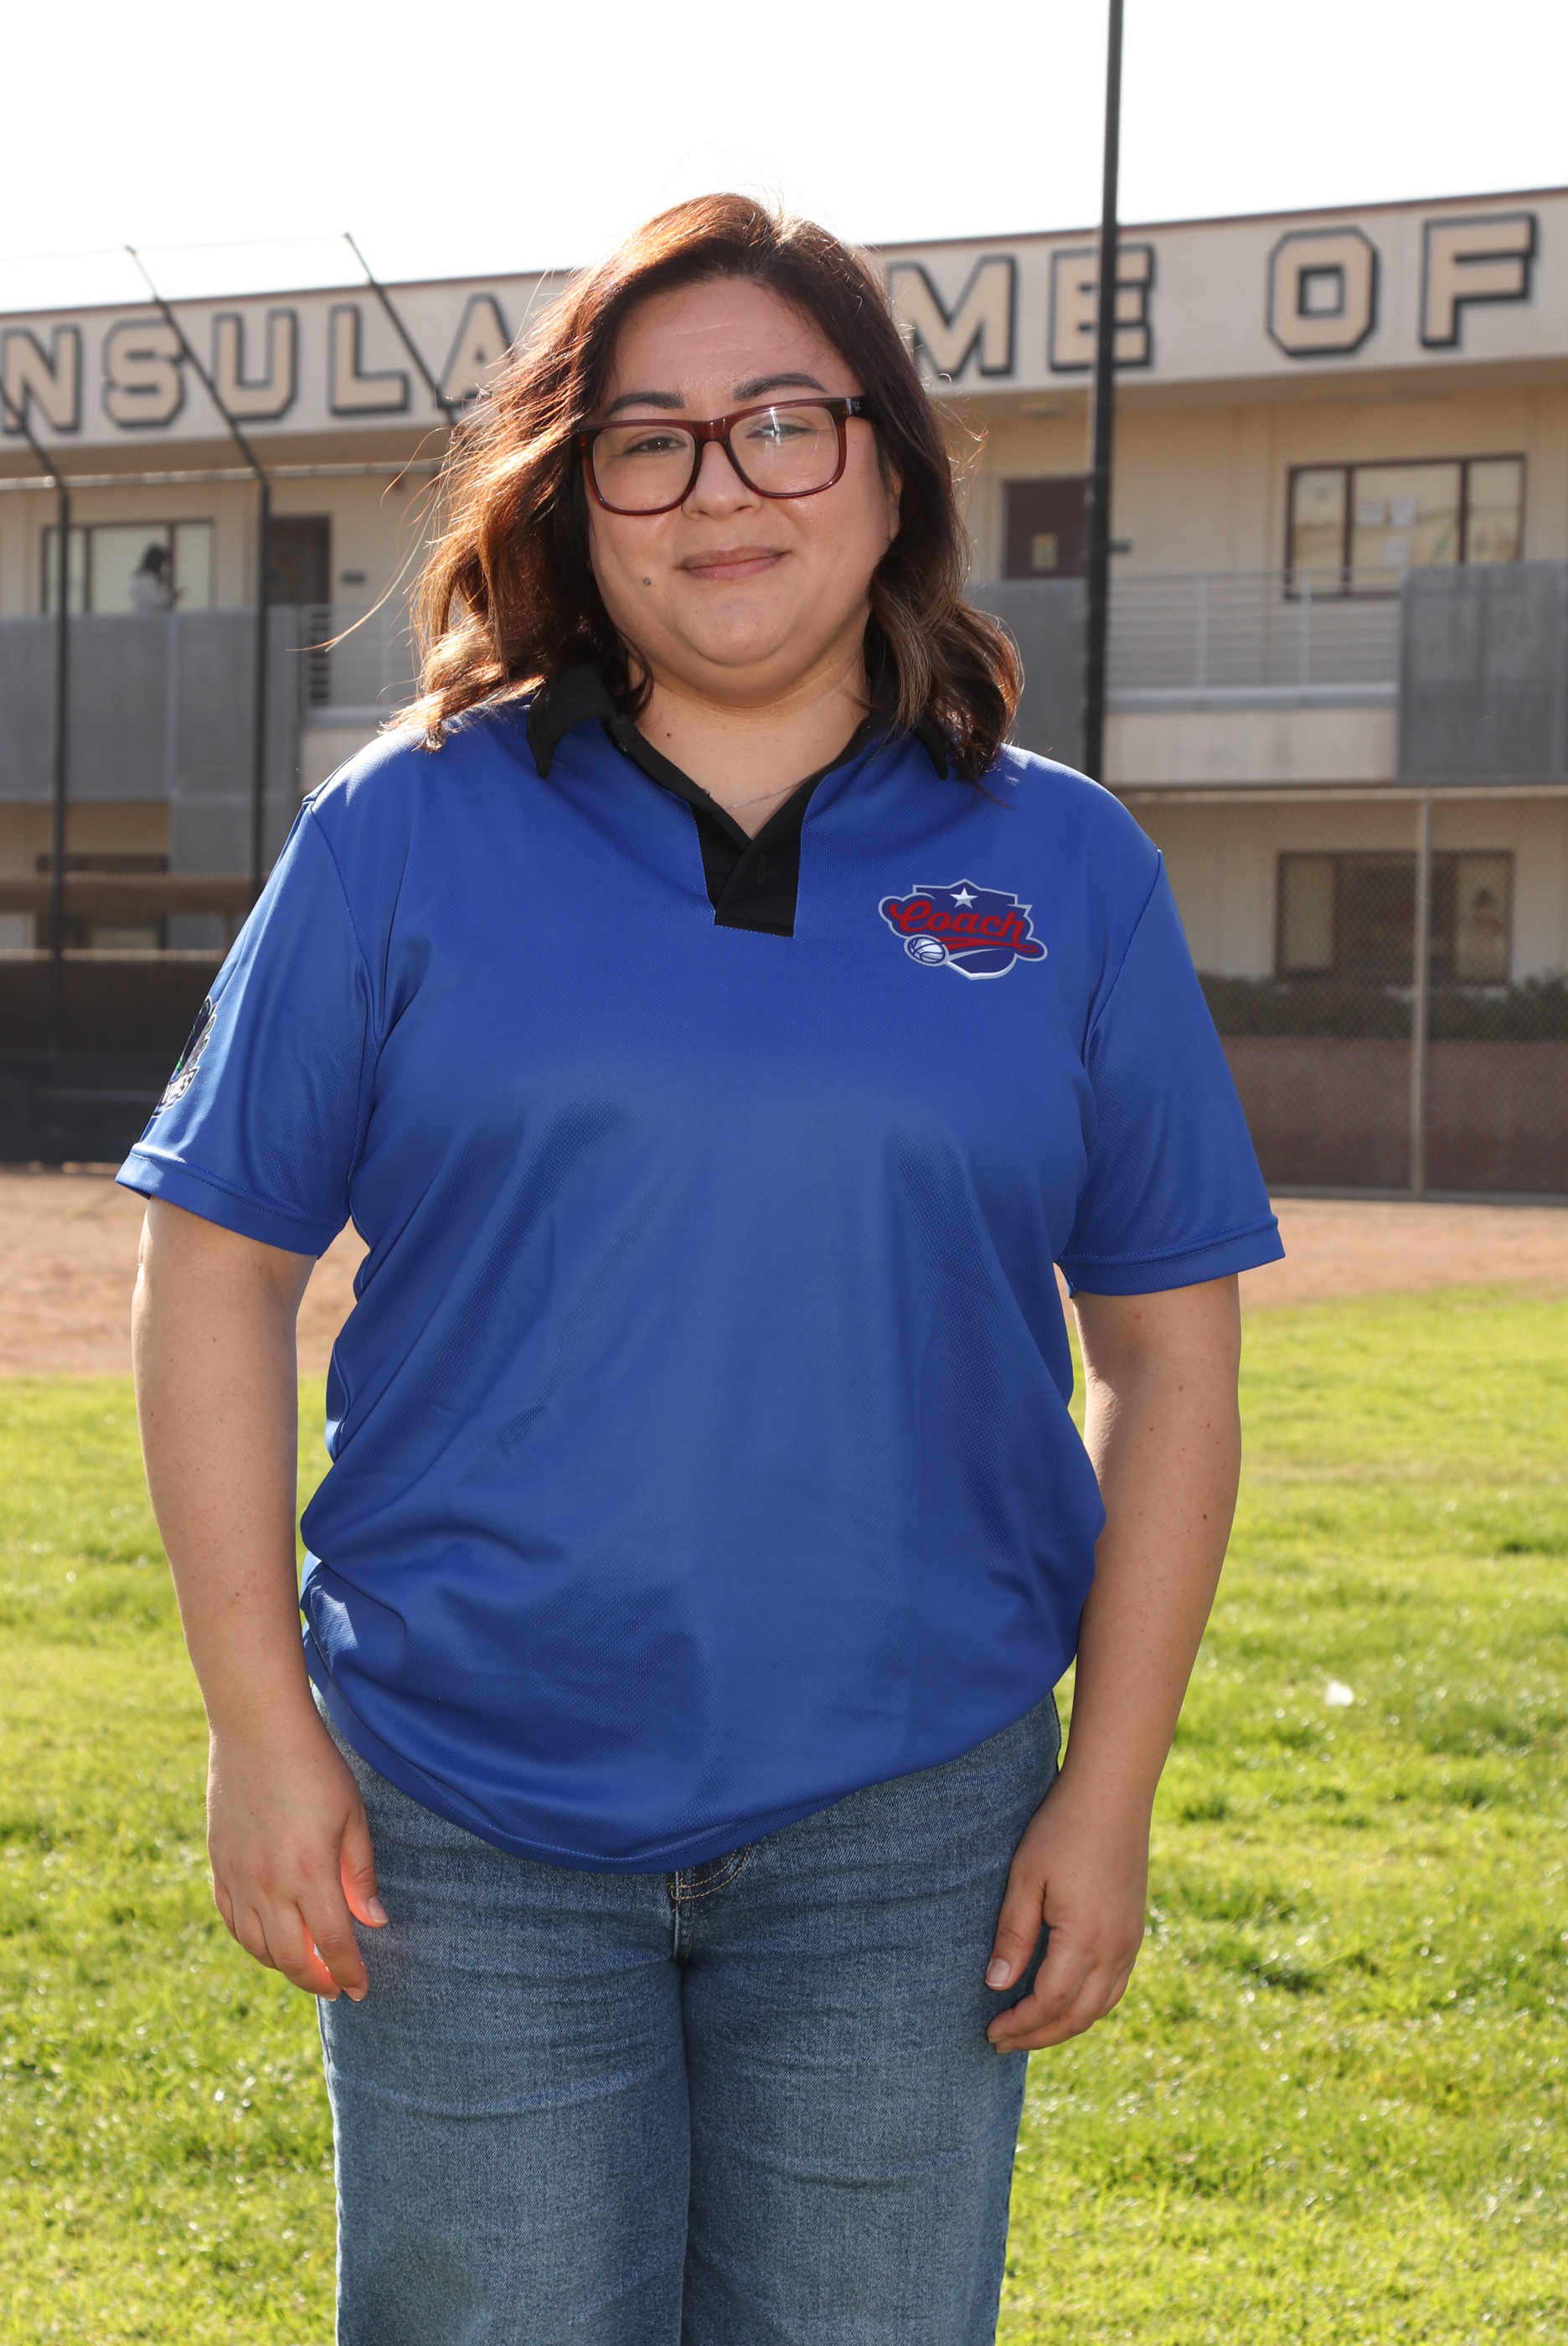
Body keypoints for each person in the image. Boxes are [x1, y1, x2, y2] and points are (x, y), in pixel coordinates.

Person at [123, 194, 1282, 2345]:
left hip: (908, 1814)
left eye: (781, 423)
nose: (719, 488)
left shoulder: (1066, 863)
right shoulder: (401, 827)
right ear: (576, 504)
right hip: (460, 1801)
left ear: (890, 469)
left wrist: (1107, 1788)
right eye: (644, 442)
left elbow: (1169, 1363)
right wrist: (259, 1730)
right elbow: (213, 1271)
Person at [127, 543, 173, 611]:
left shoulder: (137, 576)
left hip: (139, 612)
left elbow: (129, 593)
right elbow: (154, 601)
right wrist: (169, 596)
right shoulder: (149, 578)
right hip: (150, 614)